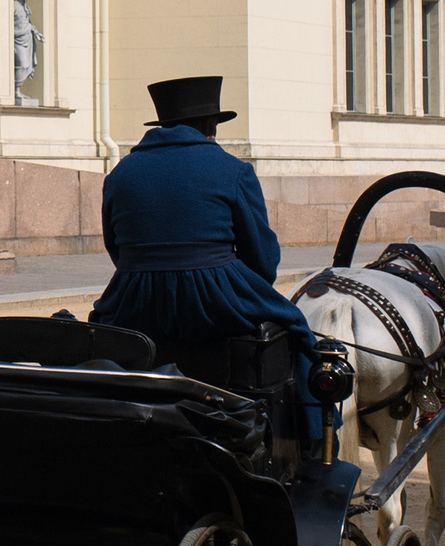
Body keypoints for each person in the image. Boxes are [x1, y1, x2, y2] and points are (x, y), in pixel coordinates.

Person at [88, 77, 326, 442]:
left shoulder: (120, 174)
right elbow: (262, 258)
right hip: (215, 299)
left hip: (134, 300)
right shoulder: (232, 169)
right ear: (209, 125)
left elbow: (116, 248)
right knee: (298, 331)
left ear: (163, 124)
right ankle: (314, 443)